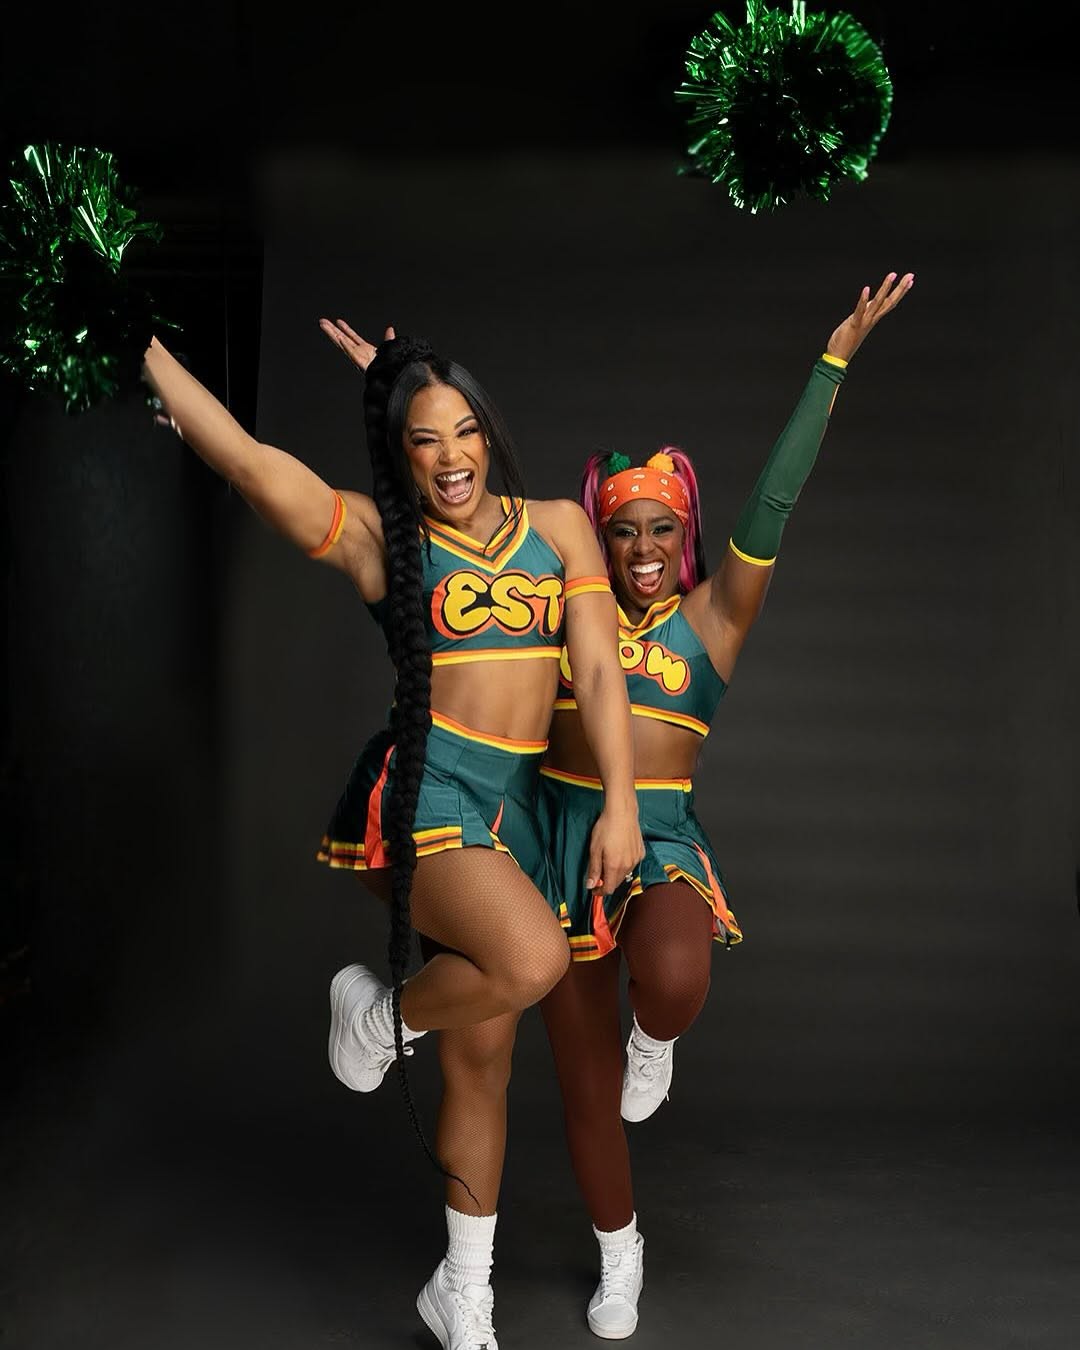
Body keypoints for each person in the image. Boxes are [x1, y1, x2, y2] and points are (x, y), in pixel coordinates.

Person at [143, 326, 643, 1350]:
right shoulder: (386, 539)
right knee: (532, 961)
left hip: (519, 813)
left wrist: (624, 804)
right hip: (426, 790)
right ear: (399, 453)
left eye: (464, 432)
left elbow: (597, 671)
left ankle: (462, 1294)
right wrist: (136, 344)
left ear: (490, 435)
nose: (450, 457)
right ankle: (377, 1018)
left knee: (484, 1057)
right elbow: (252, 464)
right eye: (424, 439)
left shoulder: (560, 528)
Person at [537, 272, 914, 1338]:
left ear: (684, 532)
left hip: (657, 832)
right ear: (599, 539)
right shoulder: (564, 618)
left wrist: (832, 361)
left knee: (675, 977)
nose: (643, 549)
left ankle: (655, 1038)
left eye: (661, 528)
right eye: (623, 531)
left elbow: (775, 505)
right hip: (559, 840)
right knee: (581, 1085)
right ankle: (620, 1255)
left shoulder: (715, 620)